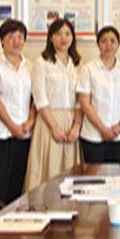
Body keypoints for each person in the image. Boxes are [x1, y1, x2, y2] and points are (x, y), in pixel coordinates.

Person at [25, 18, 82, 189]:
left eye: (67, 33)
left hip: (72, 121)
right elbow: (39, 97)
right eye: (58, 34)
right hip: (48, 120)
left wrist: (76, 126)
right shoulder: (42, 62)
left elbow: (81, 99)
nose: (63, 38)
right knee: (47, 169)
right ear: (50, 37)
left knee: (69, 170)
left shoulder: (78, 64)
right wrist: (54, 127)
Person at [0, 18, 36, 203]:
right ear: (2, 40)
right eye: (11, 36)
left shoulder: (31, 66)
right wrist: (12, 126)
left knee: (17, 186)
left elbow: (36, 99)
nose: (16, 41)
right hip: (1, 134)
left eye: (20, 37)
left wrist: (30, 122)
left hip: (25, 134)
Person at [76, 25, 120, 164]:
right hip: (93, 135)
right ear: (98, 44)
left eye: (113, 41)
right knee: (94, 175)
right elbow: (85, 103)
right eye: (104, 41)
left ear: (118, 44)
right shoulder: (88, 69)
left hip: (119, 134)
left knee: (117, 174)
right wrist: (103, 129)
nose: (108, 45)